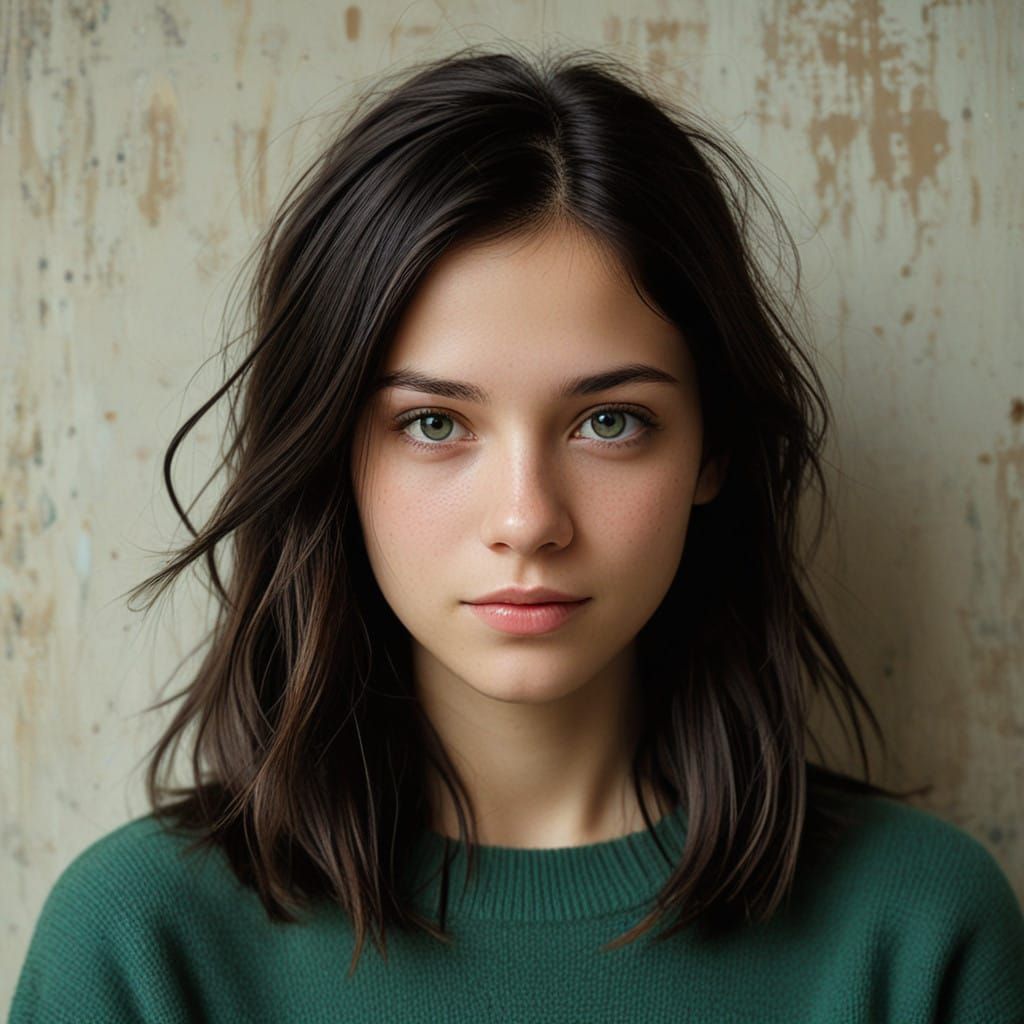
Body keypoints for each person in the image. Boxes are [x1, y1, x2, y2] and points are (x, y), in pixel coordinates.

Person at [9, 43, 1024, 1023]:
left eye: (609, 422)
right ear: (331, 456)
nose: (527, 519)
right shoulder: (141, 943)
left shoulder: (917, 930)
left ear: (712, 449)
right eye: (434, 424)